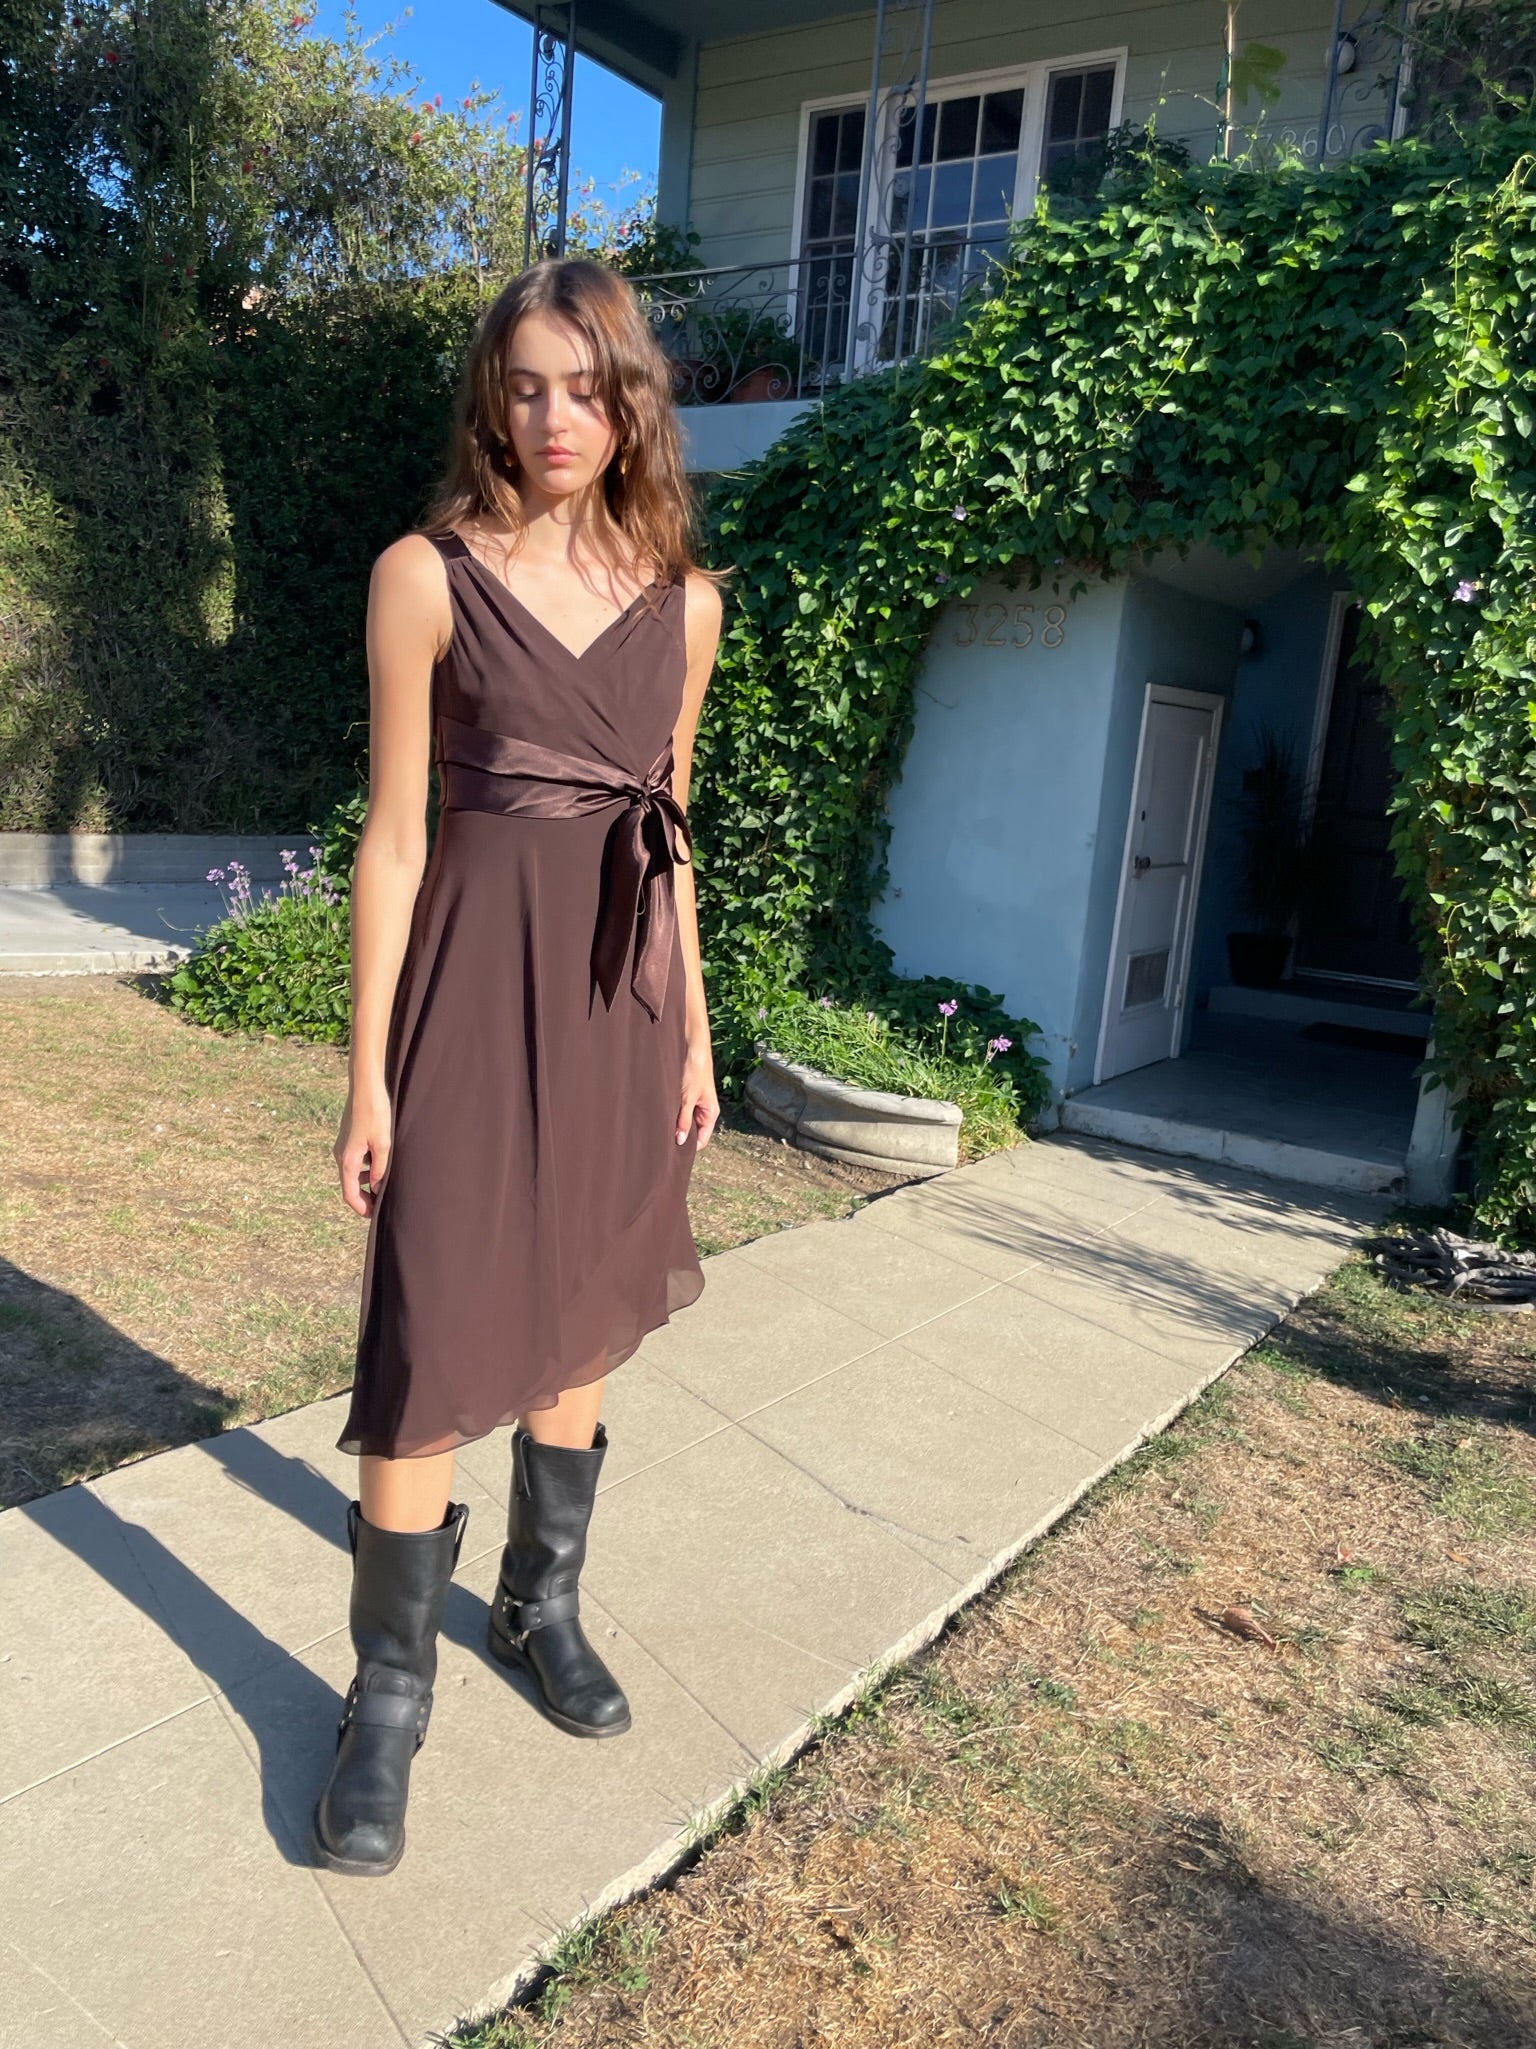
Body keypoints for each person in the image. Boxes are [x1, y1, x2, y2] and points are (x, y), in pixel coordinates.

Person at [311, 256, 726, 1877]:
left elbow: (669, 832)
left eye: (589, 387)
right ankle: (387, 1697)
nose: (559, 418)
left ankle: (539, 1600)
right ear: (494, 400)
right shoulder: (423, 576)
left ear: (632, 403)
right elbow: (395, 839)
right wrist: (368, 1073)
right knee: (432, 1328)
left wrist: (694, 1031)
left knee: (585, 1299)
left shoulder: (687, 605)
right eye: (529, 386)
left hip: (623, 1006)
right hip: (471, 997)